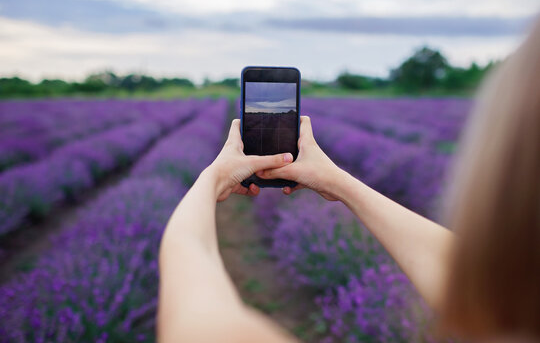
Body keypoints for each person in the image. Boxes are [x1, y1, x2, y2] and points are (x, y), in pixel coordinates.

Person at [157, 22, 540, 343]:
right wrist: (337, 180)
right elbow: (470, 276)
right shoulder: (514, 306)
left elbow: (193, 308)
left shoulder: (502, 299)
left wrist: (211, 179)